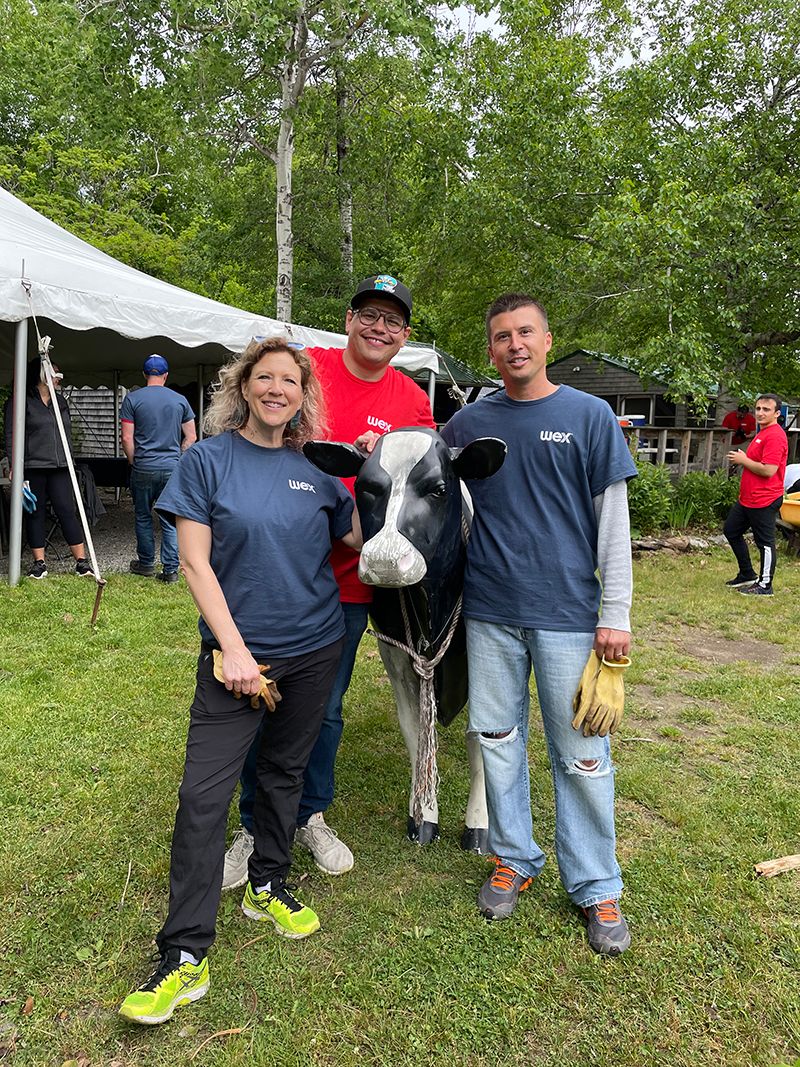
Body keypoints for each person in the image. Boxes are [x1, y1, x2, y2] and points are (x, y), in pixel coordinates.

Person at [118, 337, 362, 1026]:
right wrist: (232, 649)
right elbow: (193, 562)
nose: (277, 388)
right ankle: (183, 954)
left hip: (317, 646)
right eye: (266, 377)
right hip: (237, 661)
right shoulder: (208, 458)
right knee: (204, 796)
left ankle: (267, 882)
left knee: (284, 774)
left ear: (303, 393)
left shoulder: (317, 468)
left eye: (290, 379)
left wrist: (385, 480)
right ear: (244, 385)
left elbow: (360, 542)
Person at [222, 275, 436, 888]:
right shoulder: (307, 368)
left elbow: (421, 472)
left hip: (361, 572)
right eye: (370, 314)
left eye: (392, 321)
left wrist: (388, 452)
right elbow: (260, 420)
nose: (379, 327)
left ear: (405, 335)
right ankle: (250, 823)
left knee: (326, 706)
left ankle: (309, 814)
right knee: (259, 700)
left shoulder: (411, 401)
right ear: (348, 319)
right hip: (290, 566)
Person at [440, 293, 637, 956]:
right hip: (489, 610)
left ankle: (595, 884)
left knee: (583, 753)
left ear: (548, 339)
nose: (514, 344)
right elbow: (434, 495)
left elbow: (614, 524)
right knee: (496, 738)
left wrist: (616, 615)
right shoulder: (465, 425)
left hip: (567, 615)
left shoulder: (589, 417)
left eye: (525, 331)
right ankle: (513, 857)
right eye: (501, 336)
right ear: (491, 350)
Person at [3, 358, 91, 579]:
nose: (58, 376)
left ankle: (81, 562)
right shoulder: (20, 401)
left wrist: (70, 460)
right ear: (42, 374)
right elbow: (11, 435)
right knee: (35, 513)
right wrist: (15, 465)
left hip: (60, 465)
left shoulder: (61, 401)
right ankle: (39, 563)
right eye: (54, 372)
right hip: (33, 465)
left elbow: (66, 434)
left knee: (66, 511)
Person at [121, 354, 196, 582]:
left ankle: (145, 564)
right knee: (169, 519)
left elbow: (126, 438)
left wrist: (135, 460)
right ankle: (171, 570)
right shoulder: (180, 400)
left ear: (144, 375)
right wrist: (177, 456)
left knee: (143, 517)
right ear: (166, 375)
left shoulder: (132, 399)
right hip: (171, 468)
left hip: (143, 466)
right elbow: (191, 436)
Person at [723, 394, 788, 596]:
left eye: (766, 409)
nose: (760, 413)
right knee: (731, 530)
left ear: (777, 413)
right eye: (758, 408)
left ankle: (765, 585)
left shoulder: (775, 436)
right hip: (748, 499)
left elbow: (769, 470)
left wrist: (743, 460)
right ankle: (747, 574)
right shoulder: (762, 433)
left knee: (765, 543)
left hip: (765, 498)